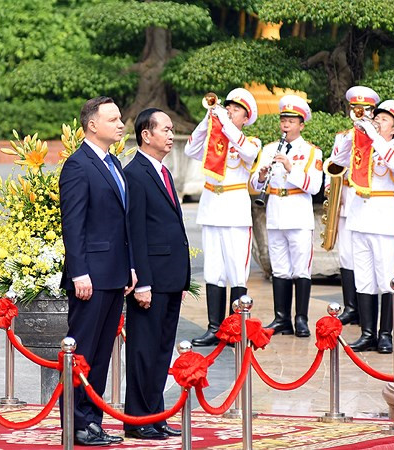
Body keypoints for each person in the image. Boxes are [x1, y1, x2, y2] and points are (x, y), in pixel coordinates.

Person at [59, 96, 136, 446]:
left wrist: (130, 265)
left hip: (114, 273)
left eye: (120, 119)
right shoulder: (78, 165)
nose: (121, 125)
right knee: (84, 352)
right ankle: (75, 422)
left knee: (102, 353)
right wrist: (79, 273)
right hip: (89, 276)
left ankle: (93, 421)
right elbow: (73, 224)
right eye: (114, 119)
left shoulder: (114, 163)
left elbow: (123, 223)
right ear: (92, 125)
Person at [123, 108, 191, 440]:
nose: (169, 134)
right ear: (145, 135)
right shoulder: (135, 173)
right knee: (143, 350)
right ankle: (137, 419)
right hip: (150, 280)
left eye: (171, 129)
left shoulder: (161, 170)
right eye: (164, 129)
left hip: (169, 277)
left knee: (162, 349)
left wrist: (180, 276)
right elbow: (136, 232)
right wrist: (143, 282)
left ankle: (156, 414)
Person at [331, 99, 394, 353]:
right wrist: (355, 133)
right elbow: (337, 161)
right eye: (378, 117)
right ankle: (367, 333)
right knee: (364, 279)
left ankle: (385, 334)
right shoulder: (363, 146)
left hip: (384, 219)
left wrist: (374, 136)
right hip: (359, 217)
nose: (378, 121)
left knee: (386, 279)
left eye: (384, 120)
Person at [184, 88, 261, 346]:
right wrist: (208, 121)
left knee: (237, 272)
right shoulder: (214, 141)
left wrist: (224, 122)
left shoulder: (251, 142)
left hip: (235, 212)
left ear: (245, 117)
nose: (229, 110)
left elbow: (248, 153)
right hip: (211, 209)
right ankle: (215, 328)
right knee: (213, 271)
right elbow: (190, 148)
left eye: (236, 109)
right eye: (228, 106)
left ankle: (235, 328)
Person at [251, 95, 323, 337]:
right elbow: (253, 183)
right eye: (283, 119)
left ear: (301, 125)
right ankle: (281, 318)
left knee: (301, 268)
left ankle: (300, 318)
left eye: (291, 120)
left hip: (298, 214)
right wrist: (261, 176)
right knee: (280, 268)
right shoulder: (269, 148)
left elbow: (314, 186)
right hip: (275, 213)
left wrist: (291, 168)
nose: (285, 124)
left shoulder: (312, 152)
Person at [329, 86, 380, 326]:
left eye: (366, 110)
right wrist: (332, 186)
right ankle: (351, 306)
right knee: (347, 257)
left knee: (367, 260)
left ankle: (365, 309)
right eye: (356, 109)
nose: (360, 113)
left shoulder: (378, 138)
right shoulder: (344, 136)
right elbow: (334, 163)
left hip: (367, 201)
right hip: (347, 197)